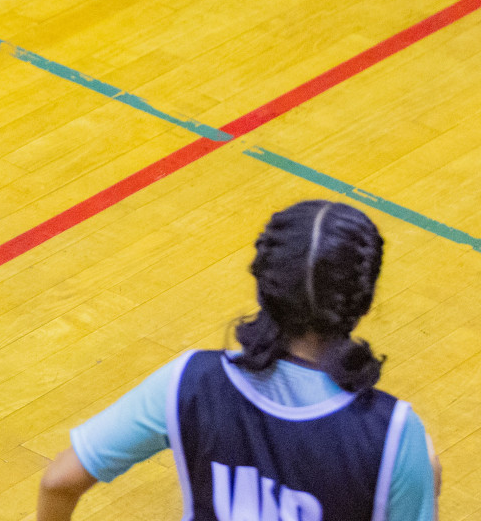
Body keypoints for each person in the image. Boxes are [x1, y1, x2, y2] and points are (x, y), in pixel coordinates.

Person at [39, 200, 441, 521]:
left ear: (264, 285)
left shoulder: (190, 381)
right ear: (363, 300)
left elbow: (59, 482)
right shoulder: (395, 434)